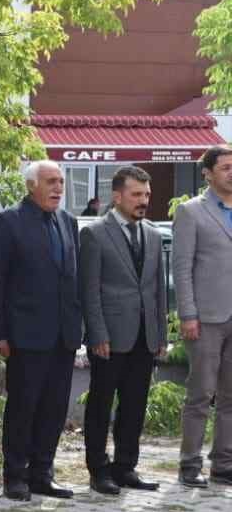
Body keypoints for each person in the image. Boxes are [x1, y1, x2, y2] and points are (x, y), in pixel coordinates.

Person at [0, 160, 82, 501]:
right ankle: (15, 475)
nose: (58, 188)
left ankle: (43, 472)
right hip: (25, 333)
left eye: (61, 182)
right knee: (23, 406)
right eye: (50, 181)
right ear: (31, 185)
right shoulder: (9, 221)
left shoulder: (68, 222)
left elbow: (73, 279)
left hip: (64, 334)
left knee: (54, 408)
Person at [78, 166, 167, 495]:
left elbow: (157, 290)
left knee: (134, 403)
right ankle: (98, 469)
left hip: (144, 336)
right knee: (101, 403)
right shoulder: (95, 233)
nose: (143, 201)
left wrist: (160, 335)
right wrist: (97, 333)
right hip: (110, 335)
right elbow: (89, 289)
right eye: (136, 195)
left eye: (146, 195)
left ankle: (126, 466)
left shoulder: (154, 234)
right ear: (117, 196)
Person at [170, 145, 232, 487]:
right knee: (200, 394)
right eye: (225, 167)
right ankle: (189, 462)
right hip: (206, 317)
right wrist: (188, 314)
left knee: (230, 396)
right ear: (208, 173)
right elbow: (182, 267)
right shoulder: (191, 212)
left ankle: (223, 463)